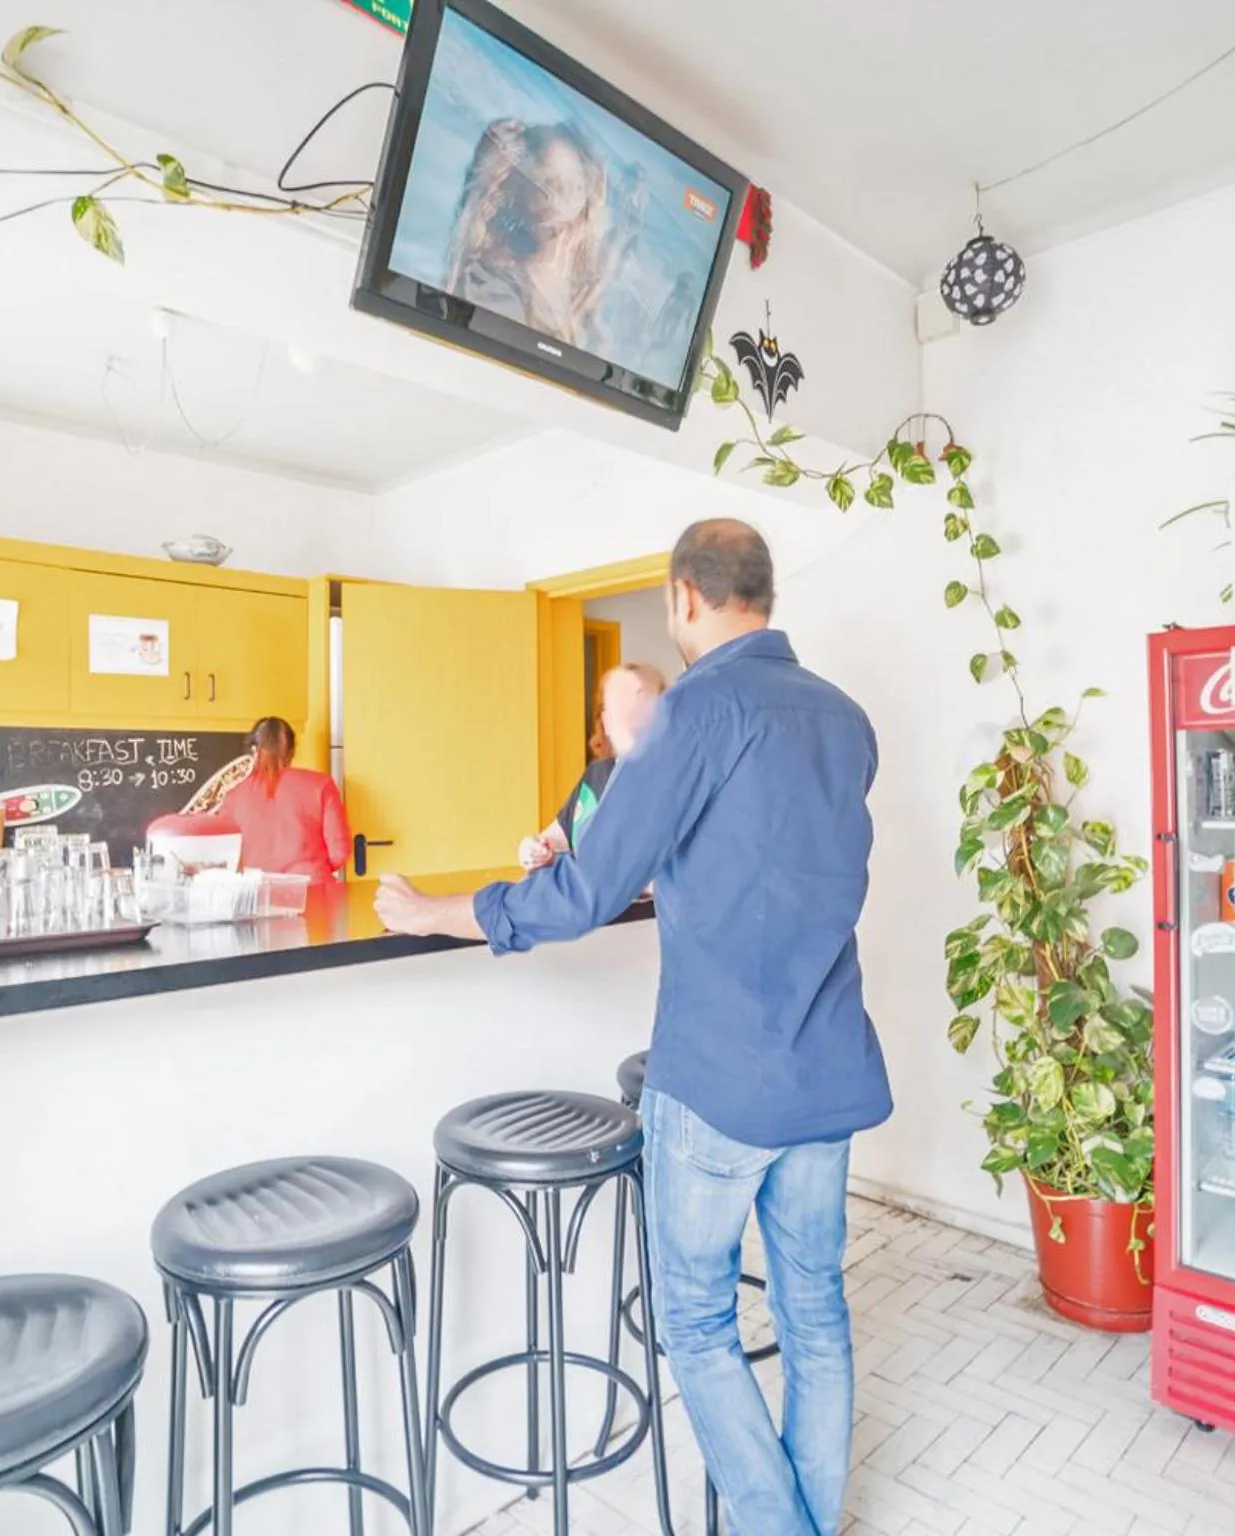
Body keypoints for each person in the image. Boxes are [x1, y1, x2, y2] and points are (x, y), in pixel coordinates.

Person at [378, 520, 887, 1536]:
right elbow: (763, 860)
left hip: (720, 1080)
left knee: (697, 1324)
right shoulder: (843, 717)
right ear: (761, 593)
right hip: (827, 1065)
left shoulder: (696, 711)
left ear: (684, 598)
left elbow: (586, 892)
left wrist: (435, 910)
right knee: (817, 1316)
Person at [443, 119, 620, 354]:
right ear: (518, 190)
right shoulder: (492, 281)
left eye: (575, 185)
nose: (562, 201)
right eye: (549, 185)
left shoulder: (576, 281)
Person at [518, 661, 666, 871]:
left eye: (641, 700)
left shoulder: (677, 779)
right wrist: (536, 850)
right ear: (606, 722)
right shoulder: (596, 774)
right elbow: (558, 837)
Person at [212, 717, 349, 880]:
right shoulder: (321, 785)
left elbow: (224, 857)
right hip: (313, 893)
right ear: (291, 752)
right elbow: (339, 853)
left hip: (258, 896)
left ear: (252, 752)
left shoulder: (233, 796)